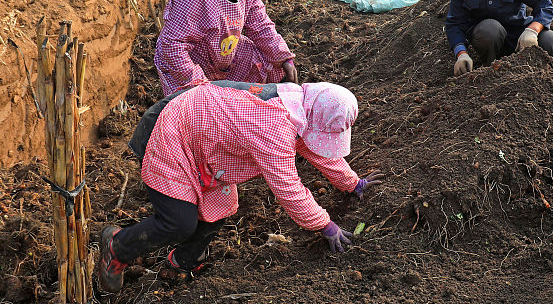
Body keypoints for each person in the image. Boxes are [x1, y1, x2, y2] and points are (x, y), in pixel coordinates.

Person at [96, 80, 384, 292]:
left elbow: (316, 150)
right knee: (178, 222)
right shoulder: (274, 127)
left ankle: (182, 260)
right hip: (179, 132)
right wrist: (324, 225)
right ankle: (118, 245)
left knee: (218, 208)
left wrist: (352, 183)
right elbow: (288, 188)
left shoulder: (300, 104)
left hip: (210, 143)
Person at [154, 0, 298, 96]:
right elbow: (173, 46)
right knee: (203, 107)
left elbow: (260, 25)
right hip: (190, 61)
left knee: (271, 64)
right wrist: (202, 89)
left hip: (224, 51)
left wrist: (284, 58)